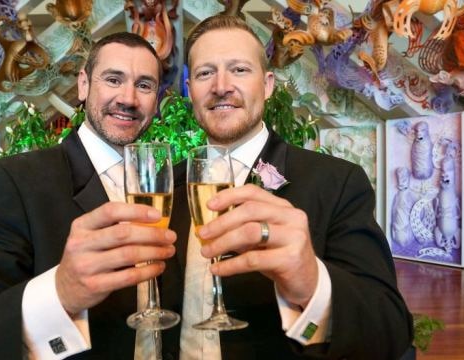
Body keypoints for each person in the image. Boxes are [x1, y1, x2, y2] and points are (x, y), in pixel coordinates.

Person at [168, 14, 414, 359]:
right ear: (189, 89)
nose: (221, 85)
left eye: (239, 70)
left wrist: (313, 282)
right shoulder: (167, 188)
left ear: (268, 85)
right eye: (205, 73)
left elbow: (389, 328)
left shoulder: (337, 182)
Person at [0, 32, 178, 359]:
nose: (128, 98)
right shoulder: (14, 181)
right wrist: (61, 291)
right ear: (84, 85)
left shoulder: (162, 186)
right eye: (113, 79)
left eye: (144, 85)